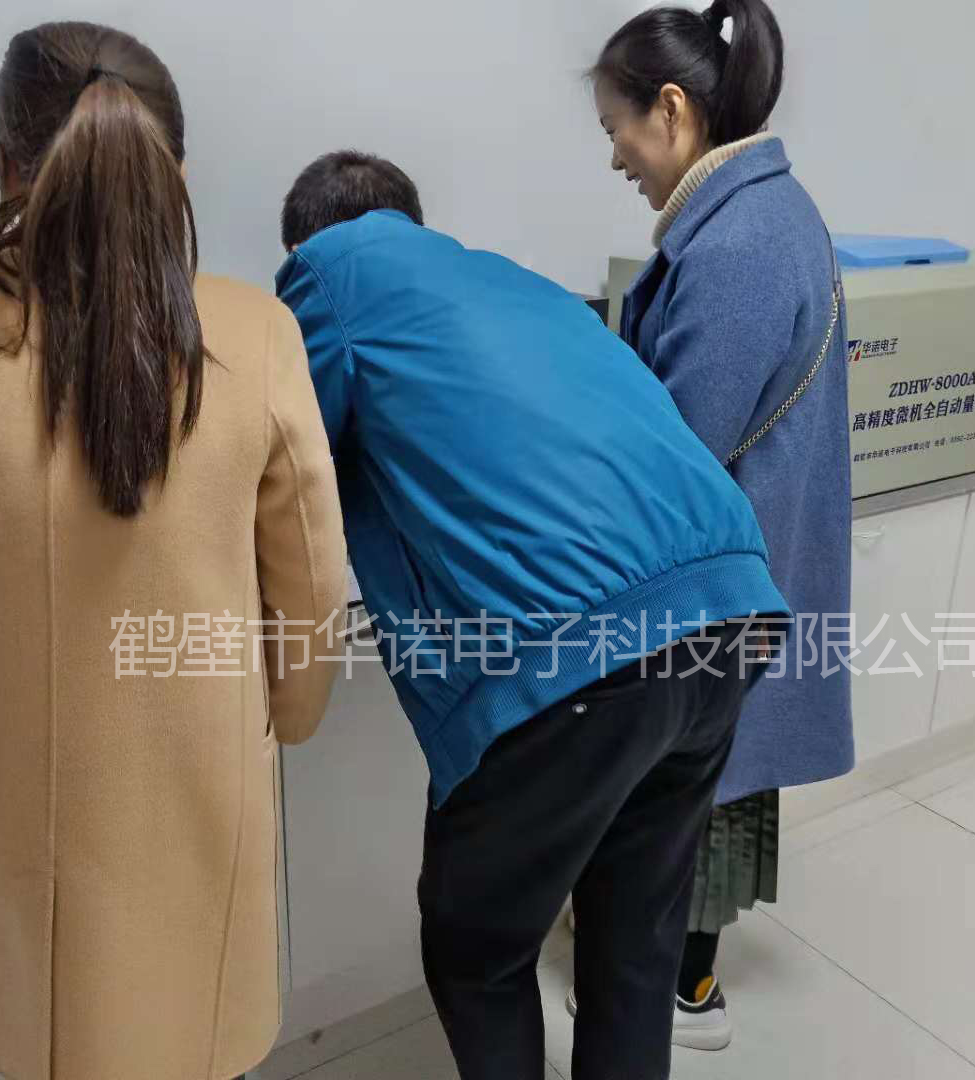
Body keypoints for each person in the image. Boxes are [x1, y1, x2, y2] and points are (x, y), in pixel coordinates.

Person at [0, 22, 346, 1080]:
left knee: (34, 1041)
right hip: (188, 784)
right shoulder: (254, 334)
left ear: (3, 161)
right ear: (174, 170)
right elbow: (312, 585)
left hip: (1, 797)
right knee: (181, 1040)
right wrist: (291, 716)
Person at [275, 150, 789, 1080]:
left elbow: (282, 454)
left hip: (574, 653)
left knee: (476, 950)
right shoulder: (520, 284)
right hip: (728, 615)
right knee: (634, 941)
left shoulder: (329, 273)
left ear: (306, 242)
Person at [585, 0, 854, 1050]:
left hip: (720, 588)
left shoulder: (739, 243)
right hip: (750, 571)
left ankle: (684, 992)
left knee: (695, 796)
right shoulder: (766, 214)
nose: (615, 157)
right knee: (714, 787)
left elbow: (682, 457)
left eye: (617, 130)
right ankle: (683, 977)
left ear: (671, 109)